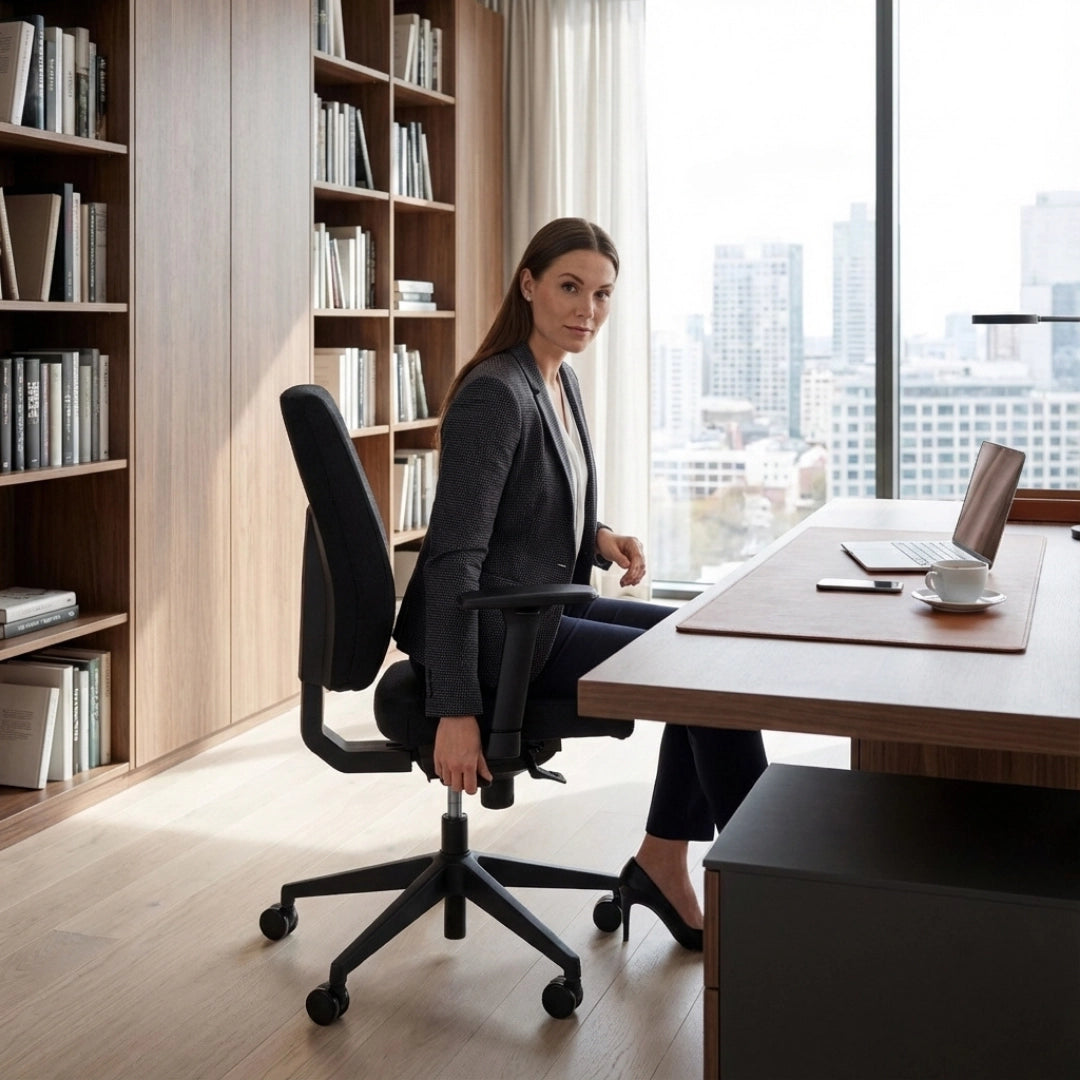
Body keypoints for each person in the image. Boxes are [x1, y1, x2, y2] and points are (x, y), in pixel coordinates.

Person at [393, 217, 767, 949]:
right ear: (528, 284)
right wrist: (456, 708)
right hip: (502, 635)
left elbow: (528, 508)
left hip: (541, 608)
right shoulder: (495, 393)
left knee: (705, 642)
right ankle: (766, 886)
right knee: (703, 664)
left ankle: (662, 861)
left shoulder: (556, 378)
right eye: (570, 287)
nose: (586, 310)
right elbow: (453, 559)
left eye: (601, 295)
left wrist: (601, 538)